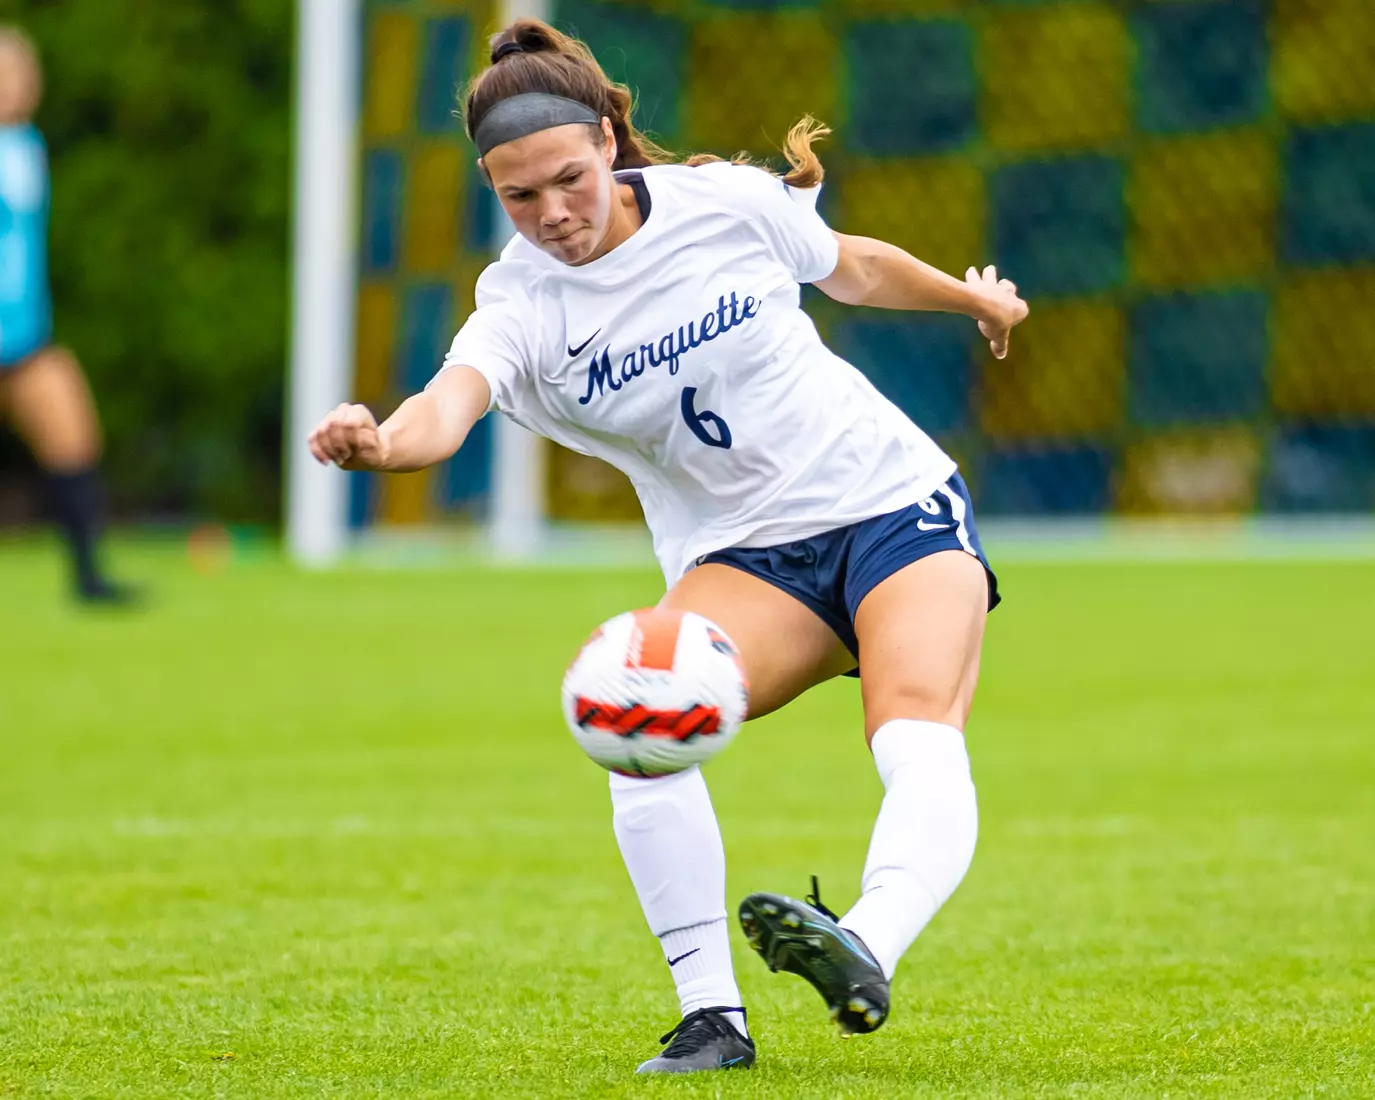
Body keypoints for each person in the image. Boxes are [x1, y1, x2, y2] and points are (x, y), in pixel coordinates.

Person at [309, 18, 1027, 1075]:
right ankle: (711, 1018)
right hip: (744, 559)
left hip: (891, 503)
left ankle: (865, 946)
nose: (551, 212)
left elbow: (853, 269)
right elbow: (443, 408)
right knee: (630, 715)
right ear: (489, 188)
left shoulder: (722, 204)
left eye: (567, 178)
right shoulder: (519, 304)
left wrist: (970, 295)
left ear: (607, 140)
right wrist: (378, 441)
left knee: (914, 726)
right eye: (518, 194)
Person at [0, 27, 129, 603]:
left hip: (23, 335)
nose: (18, 84)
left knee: (73, 435)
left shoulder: (28, 146)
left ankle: (89, 580)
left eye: (24, 72)